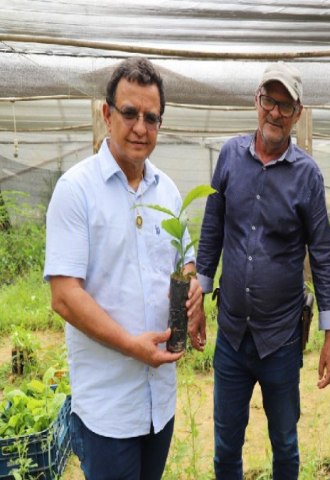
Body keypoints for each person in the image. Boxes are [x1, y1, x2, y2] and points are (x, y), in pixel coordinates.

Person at [44, 56, 206, 480]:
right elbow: (64, 294)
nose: (140, 127)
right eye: (130, 113)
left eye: (151, 117)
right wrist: (131, 346)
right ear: (106, 114)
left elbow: (185, 262)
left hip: (160, 402)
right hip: (108, 408)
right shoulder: (76, 190)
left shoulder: (166, 191)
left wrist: (194, 294)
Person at [196, 61, 330, 480]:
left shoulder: (307, 175)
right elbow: (211, 233)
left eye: (284, 105)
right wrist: (197, 300)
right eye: (267, 101)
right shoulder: (229, 157)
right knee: (225, 447)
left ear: (297, 114)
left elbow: (324, 255)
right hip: (232, 337)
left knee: (286, 445)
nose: (274, 112)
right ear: (256, 102)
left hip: (281, 339)